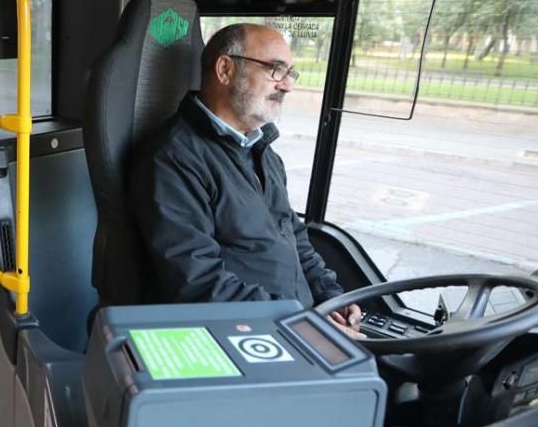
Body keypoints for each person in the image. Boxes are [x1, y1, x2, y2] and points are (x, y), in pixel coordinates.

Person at [129, 23, 363, 339]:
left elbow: (293, 235)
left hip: (292, 324)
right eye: (275, 70)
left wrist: (330, 297)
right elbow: (198, 284)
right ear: (225, 69)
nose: (287, 86)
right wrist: (308, 326)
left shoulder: (262, 152)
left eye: (290, 74)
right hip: (242, 335)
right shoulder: (172, 158)